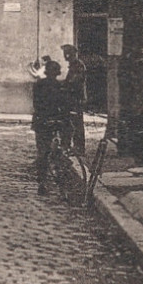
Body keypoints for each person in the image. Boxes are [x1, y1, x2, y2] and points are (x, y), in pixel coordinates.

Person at [31, 57, 67, 195]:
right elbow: (62, 105)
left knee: (44, 152)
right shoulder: (58, 86)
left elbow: (37, 104)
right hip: (50, 121)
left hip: (44, 121)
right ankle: (52, 182)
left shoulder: (40, 85)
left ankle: (43, 181)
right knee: (51, 152)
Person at [61, 44, 86, 154]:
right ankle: (72, 146)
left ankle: (79, 148)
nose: (65, 56)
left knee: (76, 123)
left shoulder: (78, 66)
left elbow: (74, 83)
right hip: (71, 99)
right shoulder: (73, 65)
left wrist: (63, 87)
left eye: (67, 54)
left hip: (76, 99)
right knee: (71, 122)